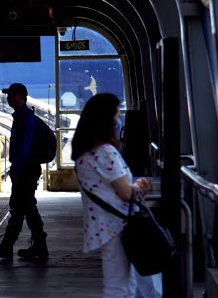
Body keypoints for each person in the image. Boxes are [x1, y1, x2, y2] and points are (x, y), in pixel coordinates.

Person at [71, 93, 159, 297]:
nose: (117, 119)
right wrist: (140, 185)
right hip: (118, 225)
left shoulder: (86, 153)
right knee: (118, 287)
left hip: (107, 225)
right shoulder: (104, 152)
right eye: (116, 113)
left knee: (127, 285)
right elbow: (126, 192)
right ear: (105, 119)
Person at [0, 83, 48, 259]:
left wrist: (17, 170)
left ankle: (14, 246)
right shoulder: (22, 117)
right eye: (8, 95)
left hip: (26, 170)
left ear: (21, 96)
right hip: (25, 169)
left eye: (12, 94)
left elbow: (25, 147)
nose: (8, 98)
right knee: (24, 208)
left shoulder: (26, 118)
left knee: (22, 208)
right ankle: (35, 245)